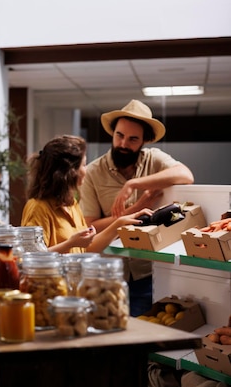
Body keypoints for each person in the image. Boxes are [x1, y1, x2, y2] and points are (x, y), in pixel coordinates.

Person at [79, 99, 194, 316]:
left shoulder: (154, 159)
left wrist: (134, 184)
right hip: (109, 272)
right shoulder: (93, 172)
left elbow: (186, 175)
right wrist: (137, 208)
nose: (123, 144)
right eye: (119, 136)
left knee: (144, 336)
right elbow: (91, 227)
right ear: (112, 134)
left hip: (147, 271)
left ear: (144, 141)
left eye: (133, 139)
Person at [21, 134, 152, 254]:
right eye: (83, 165)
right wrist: (70, 244)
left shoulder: (72, 204)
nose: (87, 169)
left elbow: (86, 248)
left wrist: (120, 224)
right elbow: (31, 258)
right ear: (69, 172)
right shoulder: (38, 208)